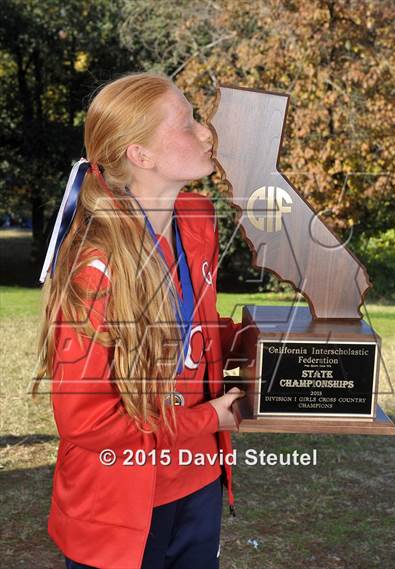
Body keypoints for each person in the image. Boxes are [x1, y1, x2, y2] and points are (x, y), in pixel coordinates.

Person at [32, 72, 245, 569]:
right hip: (118, 501)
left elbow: (195, 328)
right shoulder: (95, 265)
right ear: (140, 155)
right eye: (188, 123)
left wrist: (266, 343)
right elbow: (86, 421)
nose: (206, 133)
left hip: (197, 479)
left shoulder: (196, 218)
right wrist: (207, 419)